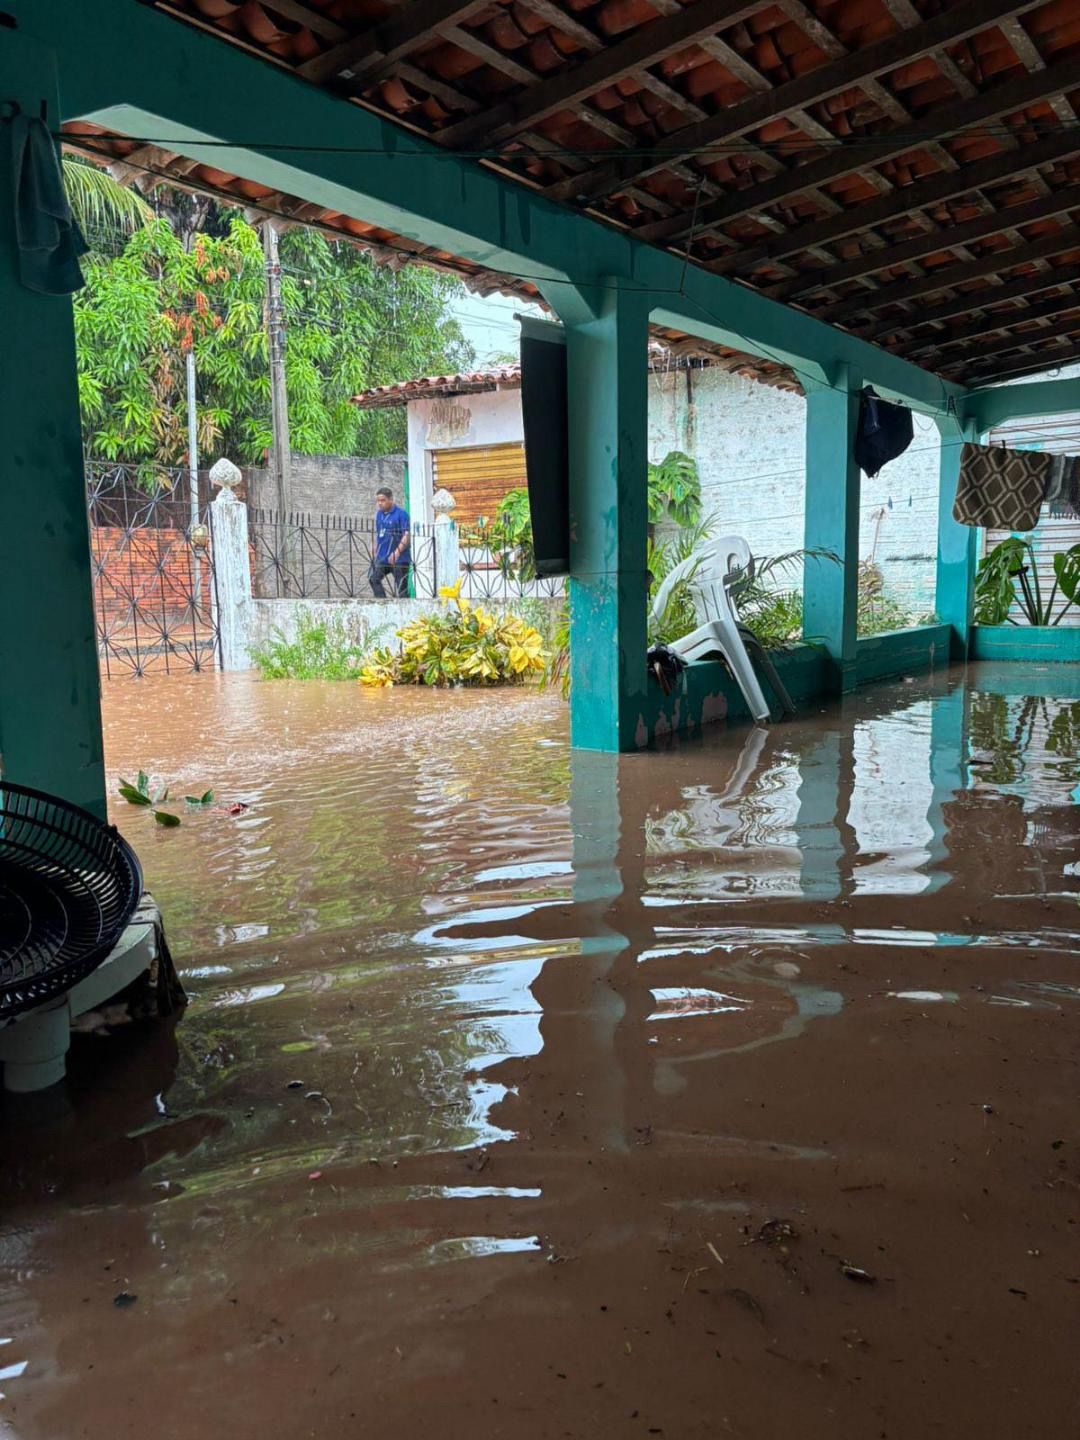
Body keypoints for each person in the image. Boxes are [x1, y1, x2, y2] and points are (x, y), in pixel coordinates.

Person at [368, 487, 411, 598]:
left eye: (383, 500)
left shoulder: (401, 514)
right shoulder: (379, 515)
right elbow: (379, 534)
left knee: (402, 589)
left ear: (390, 499)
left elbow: (406, 536)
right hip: (383, 557)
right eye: (378, 501)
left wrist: (397, 552)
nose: (380, 503)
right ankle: (383, 604)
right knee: (373, 579)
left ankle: (406, 612)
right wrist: (375, 547)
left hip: (400, 559)